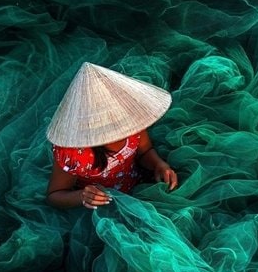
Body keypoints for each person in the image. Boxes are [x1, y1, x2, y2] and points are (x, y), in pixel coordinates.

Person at [45, 62, 177, 209]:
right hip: (101, 207)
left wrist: (158, 164)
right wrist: (82, 196)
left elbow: (144, 151)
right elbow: (54, 196)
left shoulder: (133, 123)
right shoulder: (73, 154)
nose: (124, 129)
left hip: (136, 186)